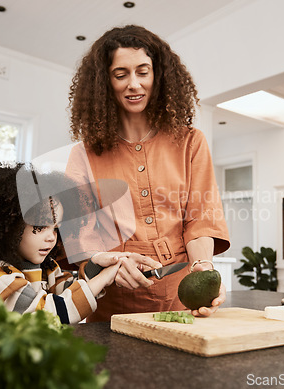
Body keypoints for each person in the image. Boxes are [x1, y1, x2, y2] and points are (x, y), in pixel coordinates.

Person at [66, 25, 230, 322]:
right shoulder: (83, 155)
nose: (133, 84)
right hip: (112, 306)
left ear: (159, 76)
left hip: (180, 297)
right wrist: (105, 263)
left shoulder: (191, 142)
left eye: (143, 72)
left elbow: (201, 218)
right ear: (105, 82)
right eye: (120, 75)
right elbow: (79, 238)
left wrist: (203, 266)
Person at [0, 162, 122, 324]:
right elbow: (49, 314)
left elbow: (72, 290)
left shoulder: (47, 269)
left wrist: (97, 265)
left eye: (56, 228)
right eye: (40, 227)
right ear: (11, 226)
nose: (51, 237)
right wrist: (103, 279)